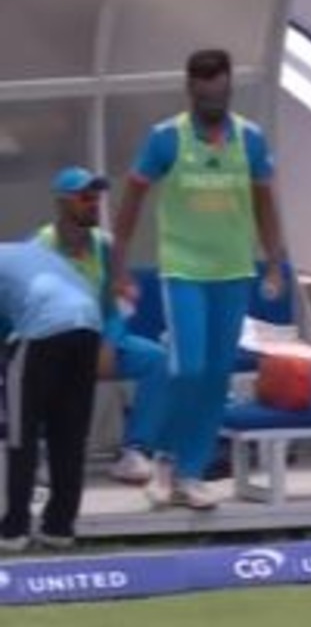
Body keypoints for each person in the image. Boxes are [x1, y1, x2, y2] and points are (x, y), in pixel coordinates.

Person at [109, 48, 287, 510]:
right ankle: (164, 458)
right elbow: (132, 199)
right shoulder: (166, 138)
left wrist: (273, 261)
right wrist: (120, 262)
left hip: (233, 271)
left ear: (229, 88)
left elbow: (266, 203)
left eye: (222, 92)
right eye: (205, 93)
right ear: (190, 90)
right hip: (183, 269)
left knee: (214, 375)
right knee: (187, 367)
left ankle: (190, 472)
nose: (214, 101)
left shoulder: (249, 138)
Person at [35, 166, 170, 486]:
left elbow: (116, 303)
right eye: (85, 197)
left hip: (99, 340)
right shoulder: (40, 247)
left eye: (96, 197)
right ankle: (48, 454)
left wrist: (109, 340)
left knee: (158, 360)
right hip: (54, 341)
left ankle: (135, 451)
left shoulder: (106, 246)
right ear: (62, 202)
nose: (94, 203)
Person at [0, 241, 104, 551]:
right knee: (69, 434)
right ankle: (59, 527)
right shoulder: (26, 253)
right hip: (89, 325)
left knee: (21, 433)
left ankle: (13, 529)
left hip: (45, 327)